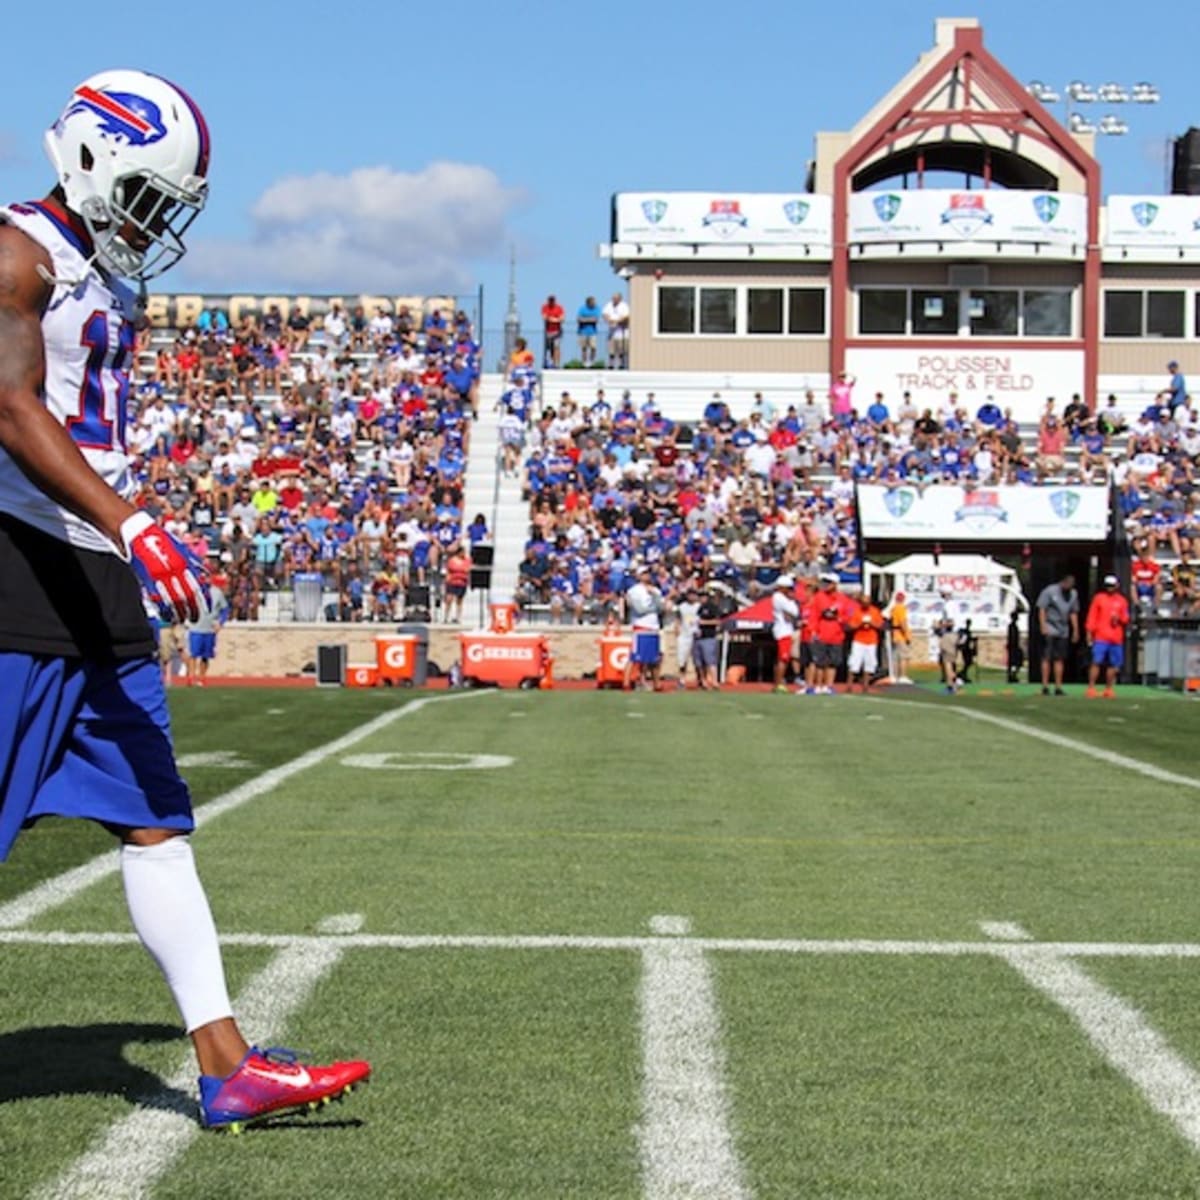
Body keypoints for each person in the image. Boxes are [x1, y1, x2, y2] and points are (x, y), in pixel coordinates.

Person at [0, 69, 369, 1132]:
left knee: (155, 820)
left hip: (98, 579)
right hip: (24, 571)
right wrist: (131, 520)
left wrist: (122, 532)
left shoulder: (107, 275)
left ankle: (226, 1065)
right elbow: (9, 405)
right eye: (149, 195)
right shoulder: (17, 251)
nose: (155, 222)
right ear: (87, 155)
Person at [1085, 574, 1130, 699]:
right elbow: (1092, 616)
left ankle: (1109, 689)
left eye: (1112, 586)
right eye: (1108, 586)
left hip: (1116, 638)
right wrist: (1089, 632)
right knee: (1096, 662)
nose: (1110, 588)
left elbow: (1126, 618)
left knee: (1114, 665)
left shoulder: (1122, 601)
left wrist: (1119, 618)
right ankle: (1091, 687)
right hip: (1101, 636)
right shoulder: (1099, 598)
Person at [1036, 573, 1079, 695]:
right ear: (1063, 583)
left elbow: (1073, 612)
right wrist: (1043, 626)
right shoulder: (1050, 591)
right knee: (1046, 657)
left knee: (1059, 658)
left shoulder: (1073, 594)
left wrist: (1075, 630)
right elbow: (1042, 609)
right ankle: (1045, 686)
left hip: (1063, 630)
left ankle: (1058, 686)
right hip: (1050, 627)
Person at [623, 565, 663, 690]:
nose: (647, 576)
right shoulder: (634, 590)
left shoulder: (656, 590)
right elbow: (639, 609)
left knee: (655, 659)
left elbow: (661, 608)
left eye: (648, 573)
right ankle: (626, 682)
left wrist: (655, 598)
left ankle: (657, 683)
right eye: (644, 573)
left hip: (653, 626)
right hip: (641, 626)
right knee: (635, 657)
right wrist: (654, 606)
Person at [186, 580, 226, 687]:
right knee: (193, 654)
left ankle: (202, 678)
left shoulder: (217, 592)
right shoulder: (193, 591)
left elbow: (225, 609)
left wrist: (220, 623)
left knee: (205, 656)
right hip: (195, 628)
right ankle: (191, 677)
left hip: (210, 629)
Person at [847, 593, 884, 694]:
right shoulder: (857, 611)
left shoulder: (875, 611)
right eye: (863, 602)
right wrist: (860, 624)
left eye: (867, 602)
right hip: (859, 641)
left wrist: (872, 624)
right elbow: (850, 626)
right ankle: (849, 686)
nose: (865, 604)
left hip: (871, 641)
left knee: (869, 664)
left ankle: (866, 686)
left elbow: (881, 626)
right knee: (854, 663)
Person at [770, 574, 799, 693]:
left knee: (781, 659)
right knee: (783, 659)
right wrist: (791, 599)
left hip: (785, 630)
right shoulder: (779, 597)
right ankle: (778, 683)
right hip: (783, 631)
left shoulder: (781, 598)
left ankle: (778, 683)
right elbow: (794, 612)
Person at [695, 584, 722, 690]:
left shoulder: (712, 607)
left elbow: (718, 621)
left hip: (709, 637)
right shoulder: (699, 608)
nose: (701, 598)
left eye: (703, 596)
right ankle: (704, 681)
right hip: (698, 637)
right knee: (699, 662)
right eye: (700, 596)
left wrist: (703, 622)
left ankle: (715, 681)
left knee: (710, 661)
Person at [675, 586, 701, 690]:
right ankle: (681, 680)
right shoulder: (682, 607)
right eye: (690, 594)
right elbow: (678, 618)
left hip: (696, 634)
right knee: (682, 659)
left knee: (697, 660)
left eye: (694, 594)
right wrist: (677, 628)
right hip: (684, 635)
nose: (692, 596)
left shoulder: (699, 606)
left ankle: (700, 680)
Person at [886, 589, 913, 684]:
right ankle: (903, 675)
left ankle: (896, 675)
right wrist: (907, 636)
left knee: (897, 656)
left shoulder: (894, 608)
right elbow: (903, 623)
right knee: (904, 656)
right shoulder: (901, 608)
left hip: (895, 634)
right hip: (900, 635)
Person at [602, 292, 630, 370]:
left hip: (622, 332)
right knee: (611, 350)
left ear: (620, 299)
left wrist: (616, 321)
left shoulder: (624, 306)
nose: (614, 300)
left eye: (615, 298)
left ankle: (621, 364)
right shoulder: (609, 305)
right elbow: (604, 314)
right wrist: (609, 320)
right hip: (612, 332)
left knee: (622, 350)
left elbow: (626, 317)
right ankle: (611, 365)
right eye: (613, 298)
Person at [541, 294, 565, 369]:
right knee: (549, 348)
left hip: (557, 331)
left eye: (553, 300)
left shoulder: (559, 308)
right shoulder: (545, 307)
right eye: (550, 300)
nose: (551, 301)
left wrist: (553, 319)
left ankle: (556, 363)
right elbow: (545, 318)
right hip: (548, 332)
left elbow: (562, 319)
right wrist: (556, 319)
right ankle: (550, 362)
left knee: (556, 347)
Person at [577, 295, 601, 366]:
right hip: (583, 332)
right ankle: (584, 362)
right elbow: (579, 319)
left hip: (593, 332)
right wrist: (590, 319)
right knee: (584, 348)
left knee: (593, 347)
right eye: (592, 302)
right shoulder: (582, 309)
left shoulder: (596, 309)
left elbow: (596, 319)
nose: (594, 304)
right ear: (588, 303)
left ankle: (592, 361)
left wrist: (585, 319)